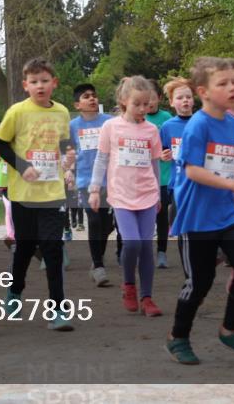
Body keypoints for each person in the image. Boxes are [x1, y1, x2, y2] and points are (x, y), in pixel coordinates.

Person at [165, 57, 234, 365]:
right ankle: (177, 336)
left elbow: (220, 163)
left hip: (226, 213)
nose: (233, 87)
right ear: (203, 92)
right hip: (197, 217)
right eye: (223, 83)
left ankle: (230, 329)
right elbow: (193, 171)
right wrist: (233, 185)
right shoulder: (198, 124)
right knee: (200, 283)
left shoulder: (232, 124)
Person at [0, 57, 75, 331]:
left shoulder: (62, 112)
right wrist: (22, 166)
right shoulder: (17, 112)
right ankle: (15, 291)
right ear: (25, 85)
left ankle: (58, 310)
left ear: (54, 83)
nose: (39, 86)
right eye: (34, 82)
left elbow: (64, 143)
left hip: (52, 191)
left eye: (44, 81)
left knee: (53, 248)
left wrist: (68, 159)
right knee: (26, 248)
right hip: (24, 194)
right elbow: (0, 143)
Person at [89, 76, 164, 317]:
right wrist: (93, 190)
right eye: (137, 104)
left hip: (148, 195)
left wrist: (158, 194)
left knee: (145, 247)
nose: (143, 109)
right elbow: (101, 160)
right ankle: (129, 284)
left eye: (147, 104)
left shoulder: (152, 129)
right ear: (123, 101)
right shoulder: (110, 127)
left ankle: (148, 297)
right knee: (131, 243)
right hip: (121, 195)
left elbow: (154, 165)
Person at [69, 82, 115, 287]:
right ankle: (98, 266)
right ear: (77, 104)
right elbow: (68, 151)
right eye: (86, 96)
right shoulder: (73, 126)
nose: (92, 99)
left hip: (111, 181)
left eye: (94, 95)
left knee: (106, 225)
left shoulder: (110, 122)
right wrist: (68, 171)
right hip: (86, 182)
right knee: (94, 221)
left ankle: (98, 257)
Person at [158, 76, 196, 264]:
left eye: (188, 97)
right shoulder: (167, 126)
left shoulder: (201, 122)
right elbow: (163, 151)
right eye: (180, 98)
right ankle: (188, 270)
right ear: (172, 102)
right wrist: (163, 156)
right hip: (179, 184)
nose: (185, 101)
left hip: (203, 184)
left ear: (194, 100)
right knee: (185, 230)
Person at [146, 85, 174, 269]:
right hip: (143, 177)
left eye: (152, 97)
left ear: (158, 98)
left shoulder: (167, 119)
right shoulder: (138, 119)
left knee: (162, 214)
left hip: (163, 175)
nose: (149, 102)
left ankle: (162, 251)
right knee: (146, 216)